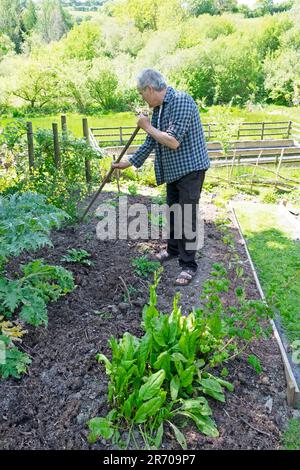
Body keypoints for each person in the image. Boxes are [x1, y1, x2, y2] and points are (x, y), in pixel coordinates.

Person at [112, 68, 210, 286]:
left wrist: (146, 126)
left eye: (141, 93)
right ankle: (173, 250)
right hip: (174, 171)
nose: (142, 98)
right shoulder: (158, 109)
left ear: (149, 89)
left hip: (191, 170)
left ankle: (188, 266)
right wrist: (127, 162)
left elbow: (172, 141)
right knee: (173, 213)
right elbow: (151, 142)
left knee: (186, 217)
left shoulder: (182, 101)